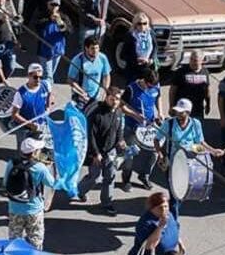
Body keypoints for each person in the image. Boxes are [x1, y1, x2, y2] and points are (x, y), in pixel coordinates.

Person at [155, 98, 223, 213]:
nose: (178, 114)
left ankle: (172, 214)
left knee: (181, 194)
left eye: (181, 112)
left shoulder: (196, 124)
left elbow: (200, 143)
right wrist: (160, 154)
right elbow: (157, 139)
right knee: (175, 196)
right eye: (177, 111)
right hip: (172, 164)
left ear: (188, 113)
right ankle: (173, 219)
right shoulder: (169, 123)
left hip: (190, 163)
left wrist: (212, 151)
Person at [76, 86, 126, 214]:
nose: (114, 102)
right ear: (106, 98)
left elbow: (119, 130)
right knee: (95, 177)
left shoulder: (118, 112)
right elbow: (91, 135)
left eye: (117, 99)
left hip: (111, 152)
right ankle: (80, 190)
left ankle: (106, 203)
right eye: (112, 99)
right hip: (96, 152)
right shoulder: (97, 114)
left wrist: (121, 140)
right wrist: (96, 154)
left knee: (109, 177)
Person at [3, 137, 56, 250]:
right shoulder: (40, 168)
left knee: (14, 240)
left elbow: (5, 182)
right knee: (35, 240)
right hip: (34, 209)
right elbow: (52, 183)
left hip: (15, 207)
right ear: (34, 153)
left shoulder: (12, 163)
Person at [120, 67, 163, 191]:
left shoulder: (155, 86)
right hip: (132, 127)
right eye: (148, 86)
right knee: (130, 154)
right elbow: (121, 106)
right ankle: (126, 180)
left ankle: (144, 175)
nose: (150, 88)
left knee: (155, 152)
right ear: (143, 80)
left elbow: (158, 97)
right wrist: (135, 115)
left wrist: (160, 112)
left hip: (149, 125)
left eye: (152, 86)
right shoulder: (131, 89)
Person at [127, 191, 182, 255]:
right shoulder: (145, 223)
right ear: (152, 208)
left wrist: (179, 242)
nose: (164, 210)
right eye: (160, 207)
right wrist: (160, 226)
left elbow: (174, 228)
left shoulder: (169, 215)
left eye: (166, 206)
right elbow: (149, 246)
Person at [10, 63, 52, 149]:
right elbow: (15, 115)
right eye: (35, 77)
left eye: (41, 77)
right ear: (29, 76)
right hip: (26, 129)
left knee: (39, 150)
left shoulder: (45, 85)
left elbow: (50, 95)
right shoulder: (21, 94)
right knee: (24, 151)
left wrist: (48, 107)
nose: (39, 80)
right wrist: (30, 125)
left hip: (41, 125)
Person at [68, 35, 111, 110]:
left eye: (97, 48)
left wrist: (105, 90)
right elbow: (70, 80)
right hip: (80, 96)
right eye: (93, 48)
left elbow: (106, 75)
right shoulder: (78, 60)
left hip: (96, 96)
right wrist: (82, 92)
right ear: (86, 48)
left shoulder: (102, 58)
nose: (96, 51)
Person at [35, 0, 70, 83]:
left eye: (56, 5)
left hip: (57, 51)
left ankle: (43, 89)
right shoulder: (42, 15)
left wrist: (60, 22)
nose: (54, 7)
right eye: (52, 4)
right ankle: (46, 94)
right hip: (45, 52)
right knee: (48, 77)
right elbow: (38, 27)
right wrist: (49, 19)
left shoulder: (64, 17)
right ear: (48, 4)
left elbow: (69, 31)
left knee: (49, 75)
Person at [169, 51, 210, 125]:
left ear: (202, 61)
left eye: (195, 60)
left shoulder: (205, 72)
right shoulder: (181, 72)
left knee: (196, 130)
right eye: (191, 59)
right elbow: (172, 90)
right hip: (182, 109)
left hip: (198, 109)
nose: (192, 62)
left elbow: (207, 90)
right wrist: (171, 106)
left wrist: (208, 104)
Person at [122, 13, 157, 81]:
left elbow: (155, 47)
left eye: (144, 23)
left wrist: (151, 59)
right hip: (133, 69)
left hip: (147, 67)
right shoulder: (130, 35)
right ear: (135, 24)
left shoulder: (151, 33)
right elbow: (123, 54)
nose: (142, 26)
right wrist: (136, 60)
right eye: (139, 23)